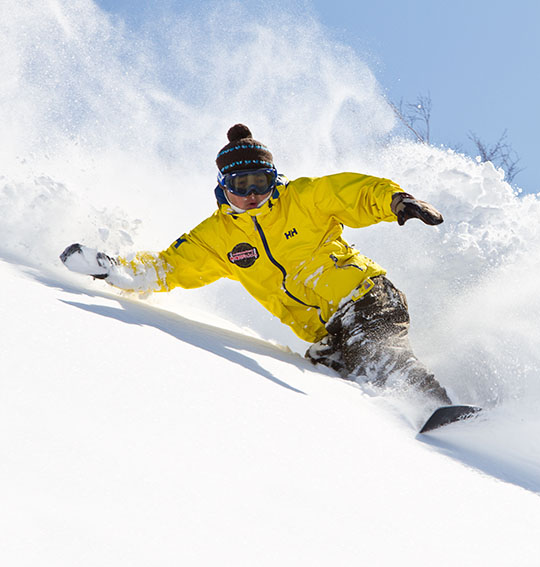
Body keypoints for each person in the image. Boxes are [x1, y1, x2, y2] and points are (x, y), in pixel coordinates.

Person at [61, 123, 454, 407]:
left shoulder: (301, 198)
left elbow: (354, 191)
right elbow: (167, 268)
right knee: (339, 386)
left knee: (379, 356)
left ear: (273, 179)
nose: (251, 194)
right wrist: (115, 271)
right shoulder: (216, 238)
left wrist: (397, 202)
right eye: (240, 184)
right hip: (326, 328)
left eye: (260, 183)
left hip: (364, 296)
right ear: (222, 186)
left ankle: (438, 412)